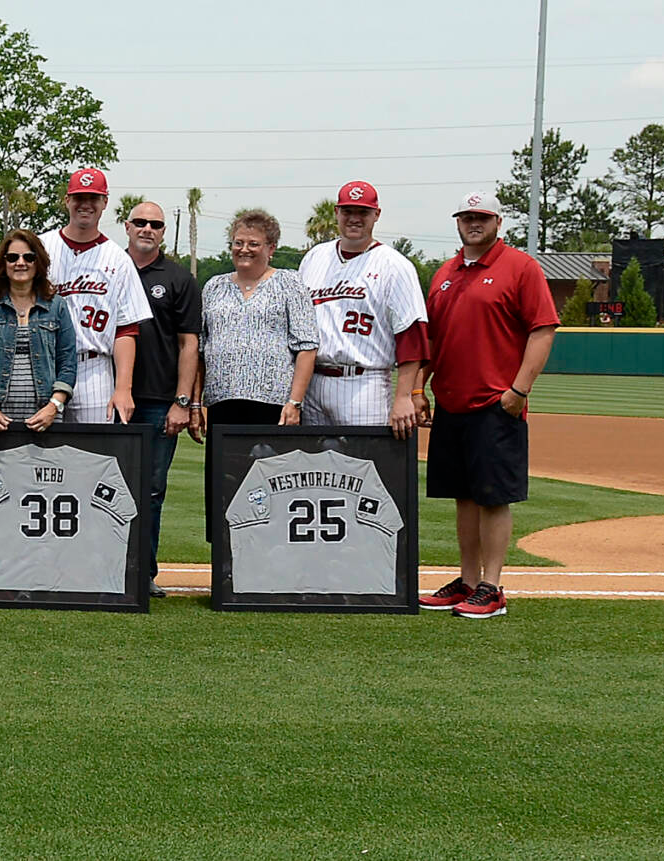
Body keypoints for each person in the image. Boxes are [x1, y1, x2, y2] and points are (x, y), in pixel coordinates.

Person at [420, 191, 556, 620]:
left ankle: (492, 587)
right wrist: (418, 388)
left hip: (496, 403)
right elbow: (433, 339)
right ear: (458, 221)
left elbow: (543, 329)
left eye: (481, 217)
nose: (473, 223)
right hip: (452, 401)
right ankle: (467, 580)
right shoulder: (445, 272)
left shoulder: (520, 267)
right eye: (466, 216)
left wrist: (518, 391)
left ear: (498, 221)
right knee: (464, 497)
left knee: (493, 497)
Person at [301, 181, 428, 433]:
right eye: (348, 211)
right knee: (315, 467)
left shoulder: (394, 265)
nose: (354, 219)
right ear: (337, 212)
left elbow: (411, 335)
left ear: (376, 215)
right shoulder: (315, 258)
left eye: (363, 212)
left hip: (363, 383)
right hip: (312, 383)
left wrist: (404, 396)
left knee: (360, 466)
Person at [121, 200, 202, 596]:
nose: (147, 229)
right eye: (140, 222)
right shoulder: (109, 267)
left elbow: (189, 344)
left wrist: (182, 402)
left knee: (151, 490)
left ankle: (143, 571)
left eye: (155, 224)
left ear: (162, 231)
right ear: (127, 225)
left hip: (157, 399)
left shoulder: (178, 278)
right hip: (108, 395)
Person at [39, 169, 149, 423]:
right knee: (40, 452)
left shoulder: (119, 259)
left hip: (93, 367)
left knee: (94, 451)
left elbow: (126, 329)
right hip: (44, 361)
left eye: (93, 198)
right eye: (79, 197)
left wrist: (123, 388)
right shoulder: (41, 248)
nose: (85, 204)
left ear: (104, 203)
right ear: (67, 200)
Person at [193, 208, 317, 430]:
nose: (244, 249)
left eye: (253, 244)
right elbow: (201, 350)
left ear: (271, 248)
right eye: (238, 243)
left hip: (275, 406)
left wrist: (295, 402)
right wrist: (195, 404)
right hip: (221, 404)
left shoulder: (290, 283)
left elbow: (307, 347)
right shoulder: (214, 286)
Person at [0, 230, 79, 429]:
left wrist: (54, 406)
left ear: (38, 262)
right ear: (3, 263)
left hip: (44, 417)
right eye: (13, 257)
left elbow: (67, 362)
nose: (20, 263)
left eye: (29, 257)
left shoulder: (57, 306)